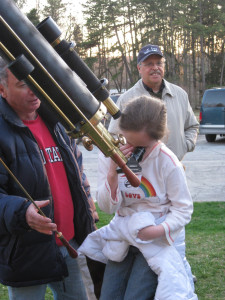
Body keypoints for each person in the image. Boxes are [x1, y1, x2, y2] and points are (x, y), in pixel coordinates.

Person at [0, 56, 103, 300]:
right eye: (23, 84)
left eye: (35, 81)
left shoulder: (56, 119)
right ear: (2, 89)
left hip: (71, 244)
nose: (33, 90)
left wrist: (89, 206)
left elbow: (76, 170)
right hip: (25, 253)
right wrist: (21, 211)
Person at [79, 96, 198, 300]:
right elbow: (108, 208)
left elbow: (183, 209)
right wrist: (112, 174)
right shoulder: (110, 153)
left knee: (136, 295)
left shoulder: (167, 162)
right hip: (124, 234)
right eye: (128, 142)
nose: (134, 153)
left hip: (156, 240)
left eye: (142, 146)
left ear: (157, 140)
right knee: (108, 295)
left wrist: (158, 230)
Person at [109, 44, 199, 161]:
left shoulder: (180, 95)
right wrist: (131, 154)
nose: (155, 67)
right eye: (149, 64)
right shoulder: (127, 99)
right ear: (139, 68)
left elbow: (192, 126)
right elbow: (114, 135)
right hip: (143, 172)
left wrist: (185, 146)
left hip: (175, 166)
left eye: (159, 63)